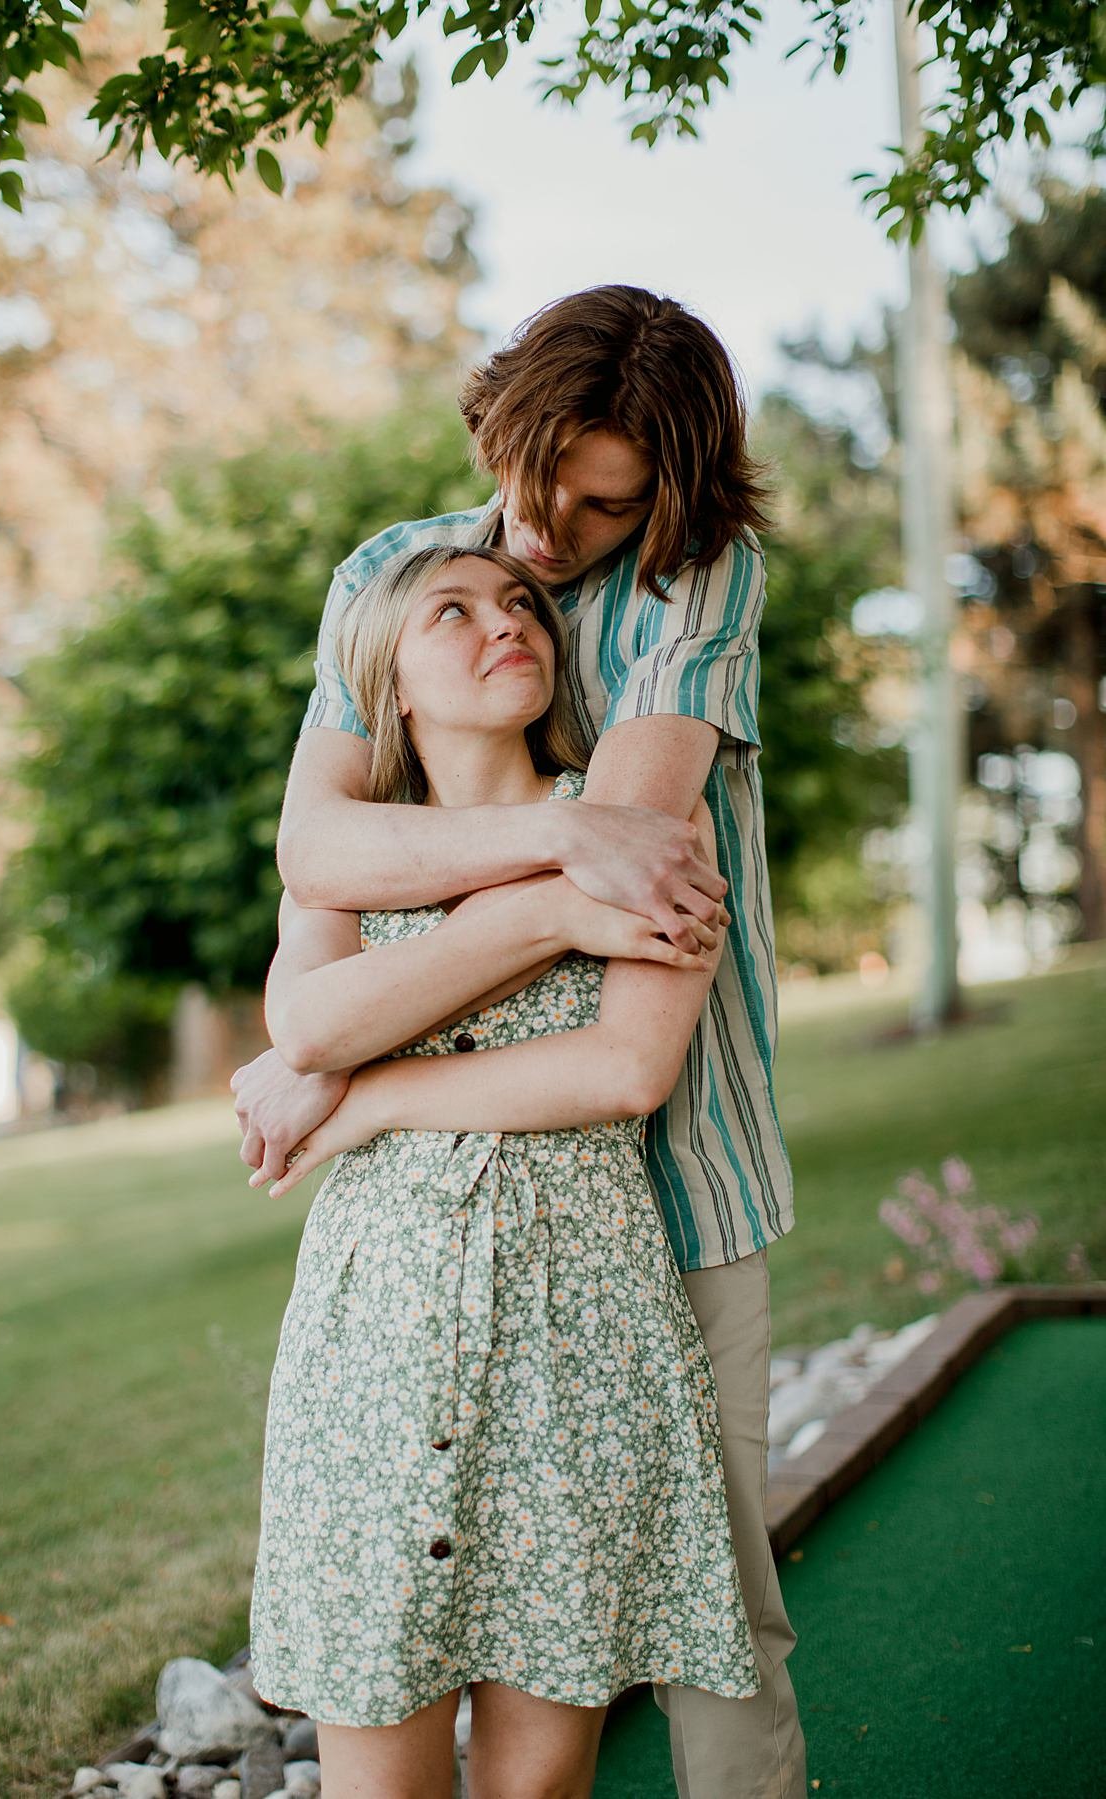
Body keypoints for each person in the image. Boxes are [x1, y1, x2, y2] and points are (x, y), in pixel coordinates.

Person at [232, 285, 808, 1798]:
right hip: (417, 1255)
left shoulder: (697, 576)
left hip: (675, 1170)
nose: (537, 547)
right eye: (527, 486)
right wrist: (563, 839)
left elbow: (638, 877)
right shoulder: (391, 572)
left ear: (665, 498)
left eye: (594, 512)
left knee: (715, 1615)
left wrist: (353, 1096)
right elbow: (322, 848)